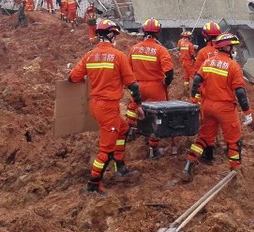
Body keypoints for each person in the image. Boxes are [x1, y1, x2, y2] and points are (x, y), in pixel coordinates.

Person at [69, 18, 144, 194]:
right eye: (115, 35)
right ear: (110, 35)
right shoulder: (118, 56)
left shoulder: (89, 56)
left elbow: (72, 78)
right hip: (108, 108)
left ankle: (120, 167)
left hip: (96, 105)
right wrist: (138, 105)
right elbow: (133, 86)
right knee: (106, 150)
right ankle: (93, 184)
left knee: (123, 129)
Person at [182, 32, 252, 182]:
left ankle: (188, 164)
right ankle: (235, 171)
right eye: (232, 47)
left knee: (204, 138)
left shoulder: (208, 62)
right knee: (233, 142)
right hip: (225, 109)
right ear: (226, 47)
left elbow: (197, 80)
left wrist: (194, 99)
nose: (234, 50)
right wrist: (247, 112)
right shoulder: (233, 66)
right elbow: (240, 92)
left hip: (207, 106)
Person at [127, 18, 175, 159]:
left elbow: (128, 70)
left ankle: (130, 130)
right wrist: (166, 83)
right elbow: (169, 71)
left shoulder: (134, 49)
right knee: (156, 116)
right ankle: (153, 149)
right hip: (156, 87)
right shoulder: (160, 50)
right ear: (158, 32)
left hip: (138, 85)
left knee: (133, 107)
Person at [176, 29, 196, 95]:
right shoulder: (190, 45)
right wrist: (195, 59)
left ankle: (186, 89)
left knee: (186, 76)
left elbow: (178, 49)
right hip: (188, 62)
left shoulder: (180, 42)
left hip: (182, 61)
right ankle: (197, 90)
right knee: (194, 75)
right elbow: (192, 54)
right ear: (189, 37)